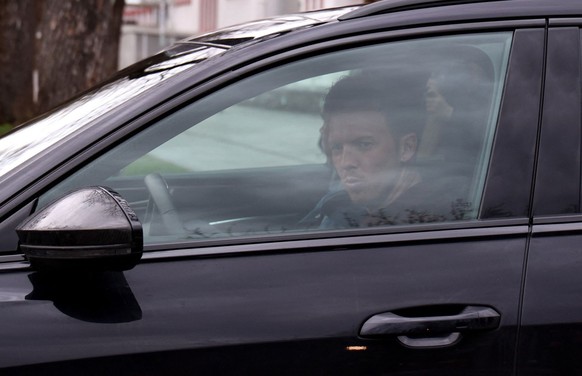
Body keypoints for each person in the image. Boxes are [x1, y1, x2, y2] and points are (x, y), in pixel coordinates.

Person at [303, 71, 456, 229]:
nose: (345, 162)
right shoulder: (343, 206)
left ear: (406, 147)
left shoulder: (424, 224)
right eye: (337, 147)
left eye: (364, 145)